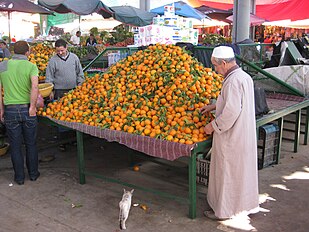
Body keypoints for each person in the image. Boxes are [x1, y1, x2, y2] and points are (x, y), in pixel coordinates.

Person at [200, 46, 259, 220]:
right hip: (243, 134)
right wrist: (214, 105)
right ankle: (242, 206)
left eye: (216, 66)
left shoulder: (232, 81)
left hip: (232, 136)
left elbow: (231, 112)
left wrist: (212, 126)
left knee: (227, 174)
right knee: (240, 174)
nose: (215, 70)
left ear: (224, 63)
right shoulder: (243, 76)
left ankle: (223, 212)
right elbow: (235, 102)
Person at [0, 41, 40, 185]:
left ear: (13, 52)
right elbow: (35, 87)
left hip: (10, 110)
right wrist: (32, 107)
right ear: (27, 52)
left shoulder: (3, 65)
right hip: (26, 109)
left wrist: (1, 110)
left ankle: (19, 178)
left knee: (15, 146)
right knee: (31, 144)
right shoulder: (31, 66)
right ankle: (34, 174)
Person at [45, 39, 84, 154]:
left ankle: (73, 139)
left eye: (62, 50)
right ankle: (63, 141)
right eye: (58, 51)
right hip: (59, 91)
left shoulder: (74, 58)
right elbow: (49, 77)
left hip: (73, 90)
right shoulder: (53, 61)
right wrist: (51, 90)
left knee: (73, 114)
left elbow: (80, 73)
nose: (60, 53)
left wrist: (80, 85)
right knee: (61, 116)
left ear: (66, 47)